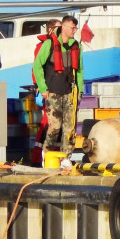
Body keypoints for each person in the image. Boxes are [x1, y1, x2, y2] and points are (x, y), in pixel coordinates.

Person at [32, 14, 83, 153]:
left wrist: (79, 90)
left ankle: (67, 158)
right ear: (64, 27)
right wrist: (43, 88)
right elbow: (37, 66)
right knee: (54, 127)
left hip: (70, 93)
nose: (74, 31)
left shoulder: (75, 46)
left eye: (75, 28)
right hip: (53, 92)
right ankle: (46, 153)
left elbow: (79, 70)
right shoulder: (48, 44)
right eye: (72, 28)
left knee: (69, 129)